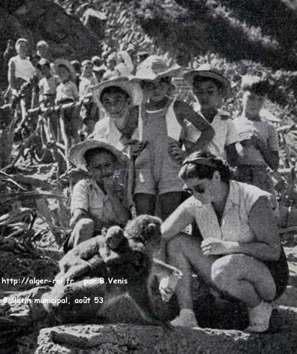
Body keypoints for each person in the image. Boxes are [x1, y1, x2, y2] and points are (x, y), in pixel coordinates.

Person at [159, 151, 288, 332]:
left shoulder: (252, 198)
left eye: (199, 188)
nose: (195, 194)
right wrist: (164, 273)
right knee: (177, 242)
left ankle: (259, 308)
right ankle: (187, 314)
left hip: (268, 279)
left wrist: (231, 247)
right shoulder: (195, 202)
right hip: (223, 275)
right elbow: (161, 235)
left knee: (223, 268)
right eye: (190, 190)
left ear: (217, 176)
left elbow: (273, 251)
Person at [129, 56, 215, 220]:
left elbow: (208, 131)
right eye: (150, 84)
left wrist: (188, 153)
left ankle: (170, 245)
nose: (156, 88)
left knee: (170, 218)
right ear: (143, 87)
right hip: (144, 168)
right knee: (144, 219)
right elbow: (123, 138)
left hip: (170, 167)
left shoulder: (178, 107)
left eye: (161, 82)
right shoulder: (137, 111)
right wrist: (130, 148)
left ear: (169, 83)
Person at [66, 140, 130, 250]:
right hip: (86, 239)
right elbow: (78, 217)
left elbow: (124, 220)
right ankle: (77, 261)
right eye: (97, 167)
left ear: (114, 166)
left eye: (107, 165)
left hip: (112, 240)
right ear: (89, 170)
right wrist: (101, 227)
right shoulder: (84, 187)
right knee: (85, 224)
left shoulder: (121, 189)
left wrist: (111, 193)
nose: (103, 170)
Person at [183, 64, 239, 165]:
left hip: (216, 173)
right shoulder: (187, 117)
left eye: (210, 92)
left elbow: (232, 154)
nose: (204, 96)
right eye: (199, 92)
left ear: (219, 92)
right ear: (193, 93)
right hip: (192, 172)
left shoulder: (225, 120)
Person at [233, 75, 279, 195]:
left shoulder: (269, 128)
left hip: (261, 178)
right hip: (238, 176)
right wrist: (239, 143)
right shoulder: (232, 124)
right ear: (241, 96)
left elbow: (274, 164)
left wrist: (260, 144)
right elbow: (228, 158)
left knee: (262, 211)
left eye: (260, 99)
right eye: (251, 98)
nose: (255, 103)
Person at [55, 59, 81, 143]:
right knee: (65, 131)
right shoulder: (58, 87)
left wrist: (76, 110)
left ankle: (79, 148)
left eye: (64, 72)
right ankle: (67, 149)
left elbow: (77, 97)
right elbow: (57, 98)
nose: (62, 74)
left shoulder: (72, 85)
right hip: (61, 108)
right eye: (60, 73)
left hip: (71, 106)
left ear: (69, 73)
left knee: (74, 131)